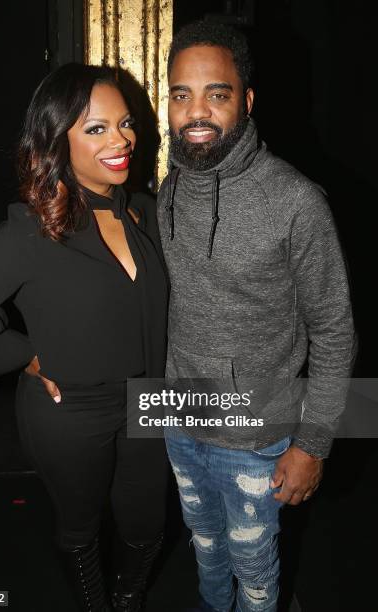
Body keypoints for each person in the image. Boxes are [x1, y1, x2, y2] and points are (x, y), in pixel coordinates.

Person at [0, 63, 170, 612]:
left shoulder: (145, 211)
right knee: (79, 527)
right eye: (96, 129)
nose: (121, 140)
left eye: (125, 123)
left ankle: (128, 596)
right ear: (56, 139)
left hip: (154, 400)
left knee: (148, 522)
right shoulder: (33, 227)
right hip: (71, 410)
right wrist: (25, 355)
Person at [156, 21, 356, 612]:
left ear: (245, 100)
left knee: (256, 568)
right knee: (205, 545)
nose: (197, 111)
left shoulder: (297, 202)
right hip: (178, 417)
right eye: (180, 94)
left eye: (216, 94)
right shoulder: (168, 190)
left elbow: (335, 331)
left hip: (257, 437)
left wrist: (313, 445)